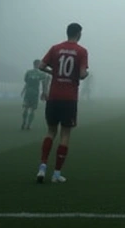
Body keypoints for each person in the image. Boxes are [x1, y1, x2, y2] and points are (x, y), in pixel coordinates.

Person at [35, 23, 89, 184]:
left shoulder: (55, 48)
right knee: (65, 134)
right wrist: (85, 74)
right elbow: (81, 74)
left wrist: (53, 72)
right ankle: (57, 174)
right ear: (78, 34)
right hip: (69, 98)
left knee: (51, 131)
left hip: (54, 97)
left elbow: (41, 66)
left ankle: (42, 167)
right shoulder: (81, 51)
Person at [21, 60, 49, 130]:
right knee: (32, 109)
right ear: (38, 65)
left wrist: (23, 90)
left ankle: (24, 122)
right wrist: (45, 92)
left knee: (26, 108)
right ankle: (28, 125)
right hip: (35, 92)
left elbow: (26, 82)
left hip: (28, 92)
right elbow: (44, 83)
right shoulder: (41, 74)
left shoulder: (28, 72)